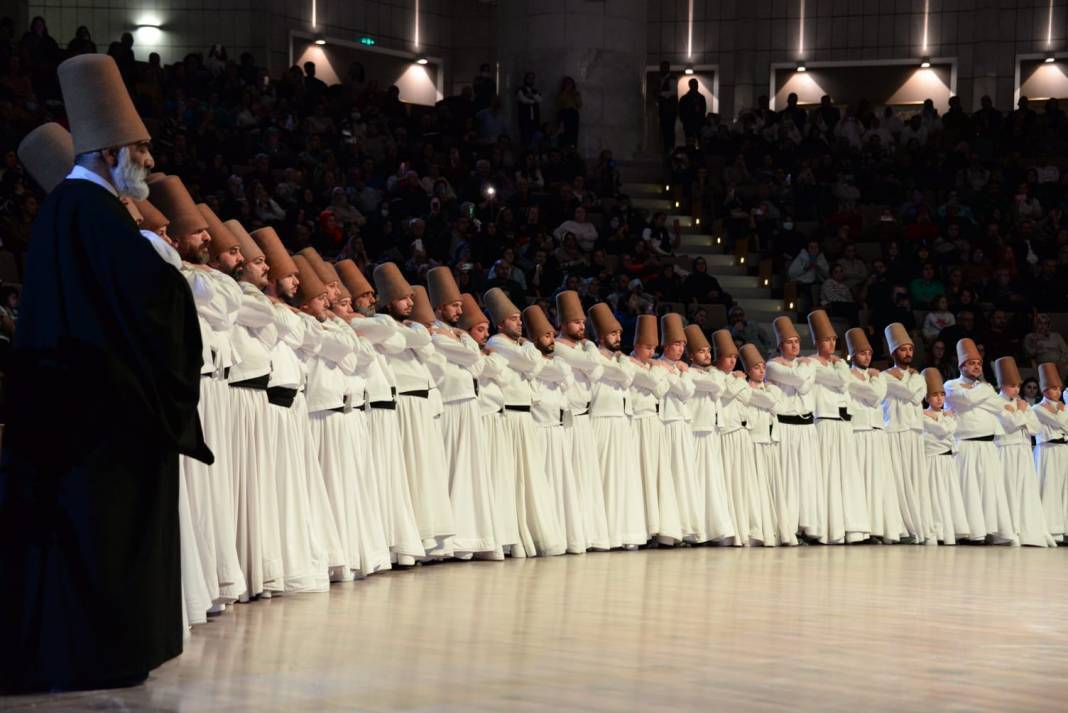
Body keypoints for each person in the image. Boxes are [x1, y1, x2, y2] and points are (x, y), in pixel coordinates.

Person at [1, 54, 210, 692]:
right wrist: (173, 279)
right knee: (97, 535)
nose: (148, 159)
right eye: (141, 149)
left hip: (83, 405)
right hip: (100, 414)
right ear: (114, 149)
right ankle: (101, 650)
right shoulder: (91, 212)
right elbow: (152, 301)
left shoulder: (77, 210)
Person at [373, 262, 456, 556]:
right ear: (386, 301)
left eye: (411, 298)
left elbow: (426, 345)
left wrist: (414, 331)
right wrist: (411, 333)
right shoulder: (382, 326)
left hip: (421, 405)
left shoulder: (410, 327)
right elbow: (402, 343)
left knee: (426, 472)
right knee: (409, 472)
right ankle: (408, 542)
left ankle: (429, 540)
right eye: (404, 298)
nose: (411, 303)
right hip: (404, 403)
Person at [485, 287, 565, 556]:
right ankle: (511, 538)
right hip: (509, 417)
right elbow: (532, 363)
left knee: (529, 478)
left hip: (525, 416)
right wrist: (530, 348)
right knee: (511, 478)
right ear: (500, 323)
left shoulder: (519, 345)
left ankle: (529, 535)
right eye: (514, 318)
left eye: (520, 318)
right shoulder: (497, 343)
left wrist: (528, 348)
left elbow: (533, 364)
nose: (519, 323)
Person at [426, 266, 499, 559]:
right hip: (449, 405)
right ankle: (446, 542)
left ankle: (470, 537)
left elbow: (477, 365)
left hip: (468, 403)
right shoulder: (431, 331)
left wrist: (463, 340)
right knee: (450, 468)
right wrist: (464, 344)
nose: (460, 310)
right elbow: (471, 356)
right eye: (455, 305)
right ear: (441, 307)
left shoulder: (458, 335)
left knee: (470, 471)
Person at [523, 304, 587, 553]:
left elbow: (565, 376)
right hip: (539, 427)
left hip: (557, 427)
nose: (551, 340)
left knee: (561, 485)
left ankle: (562, 534)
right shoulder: (532, 359)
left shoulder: (556, 360)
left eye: (552, 335)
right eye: (546, 336)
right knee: (543, 484)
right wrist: (552, 369)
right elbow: (546, 371)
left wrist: (555, 369)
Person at [552, 291, 611, 550]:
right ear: (563, 323)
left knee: (588, 478)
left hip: (585, 418)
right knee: (571, 478)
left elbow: (596, 371)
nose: (581, 327)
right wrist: (589, 350)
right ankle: (571, 535)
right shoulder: (559, 347)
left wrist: (589, 359)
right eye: (576, 323)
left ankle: (589, 533)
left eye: (583, 323)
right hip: (570, 419)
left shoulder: (578, 349)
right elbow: (593, 362)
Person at [944, 338, 1017, 545]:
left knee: (987, 489)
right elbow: (966, 400)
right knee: (968, 490)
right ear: (962, 365)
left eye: (978, 363)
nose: (976, 366)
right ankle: (968, 532)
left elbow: (998, 407)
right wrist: (984, 392)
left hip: (987, 446)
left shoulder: (983, 388)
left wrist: (979, 395)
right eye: (971, 363)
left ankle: (986, 530)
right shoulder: (951, 385)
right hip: (965, 444)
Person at [586, 302, 645, 549]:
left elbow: (628, 376)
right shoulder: (593, 356)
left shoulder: (622, 360)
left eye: (619, 333)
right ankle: (602, 534)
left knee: (622, 477)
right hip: (601, 418)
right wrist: (620, 367)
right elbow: (620, 374)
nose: (618, 337)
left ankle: (623, 533)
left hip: (621, 420)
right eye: (612, 333)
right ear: (600, 335)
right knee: (603, 477)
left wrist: (621, 366)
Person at [807, 310, 869, 544]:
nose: (831, 344)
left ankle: (851, 527)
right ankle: (826, 528)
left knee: (846, 475)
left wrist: (836, 370)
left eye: (833, 340)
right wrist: (834, 372)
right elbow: (839, 380)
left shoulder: (841, 363)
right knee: (826, 474)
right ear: (817, 342)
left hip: (843, 424)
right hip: (823, 421)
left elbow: (845, 380)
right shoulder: (811, 363)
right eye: (826, 339)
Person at [845, 328, 908, 544]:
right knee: (861, 481)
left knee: (879, 482)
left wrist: (870, 381)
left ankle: (880, 527)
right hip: (859, 431)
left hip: (877, 432)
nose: (867, 357)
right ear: (853, 355)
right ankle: (862, 529)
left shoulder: (877, 376)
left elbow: (877, 395)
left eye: (869, 353)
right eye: (862, 353)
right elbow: (868, 393)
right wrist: (869, 382)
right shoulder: (846, 374)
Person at [765, 316, 822, 543]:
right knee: (788, 476)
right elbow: (801, 381)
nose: (795, 346)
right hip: (786, 424)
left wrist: (804, 374)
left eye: (797, 341)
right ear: (780, 344)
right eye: (789, 342)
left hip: (806, 425)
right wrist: (805, 372)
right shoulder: (773, 365)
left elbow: (805, 385)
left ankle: (806, 525)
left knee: (805, 476)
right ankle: (788, 526)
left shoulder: (806, 364)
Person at [992, 357, 1057, 547]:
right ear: (1002, 385)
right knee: (1008, 488)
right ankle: (1008, 530)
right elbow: (1009, 423)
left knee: (1025, 488)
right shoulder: (997, 402)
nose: (1017, 390)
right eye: (1012, 386)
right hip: (1006, 450)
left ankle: (1027, 528)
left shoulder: (1023, 404)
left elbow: (1035, 428)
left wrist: (1019, 415)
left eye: (1018, 385)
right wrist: (1020, 415)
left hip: (1023, 450)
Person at [629, 314, 682, 545]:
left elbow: (659, 390)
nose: (651, 353)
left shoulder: (650, 366)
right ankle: (640, 529)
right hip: (636, 422)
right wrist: (660, 368)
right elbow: (654, 384)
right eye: (647, 348)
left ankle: (657, 528)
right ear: (636, 346)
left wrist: (657, 370)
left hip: (653, 421)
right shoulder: (630, 364)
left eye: (653, 348)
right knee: (640, 474)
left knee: (655, 475)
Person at [880, 323, 933, 544]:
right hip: (894, 430)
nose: (908, 353)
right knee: (897, 479)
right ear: (894, 352)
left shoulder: (919, 377)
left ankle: (919, 526)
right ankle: (899, 527)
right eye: (903, 349)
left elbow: (915, 395)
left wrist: (910, 381)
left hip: (914, 431)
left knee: (915, 479)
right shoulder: (884, 376)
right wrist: (907, 382)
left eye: (910, 349)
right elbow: (908, 392)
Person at [684, 325, 737, 544]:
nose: (706, 355)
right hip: (696, 430)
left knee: (713, 481)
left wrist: (717, 383)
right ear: (691, 355)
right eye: (701, 351)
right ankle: (697, 530)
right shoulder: (688, 372)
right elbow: (716, 385)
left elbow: (721, 387)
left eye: (708, 351)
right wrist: (716, 384)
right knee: (697, 480)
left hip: (712, 430)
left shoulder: (713, 373)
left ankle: (715, 528)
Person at [657, 313, 704, 543]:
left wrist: (683, 375)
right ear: (666, 345)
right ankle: (669, 529)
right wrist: (684, 375)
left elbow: (687, 391)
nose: (680, 349)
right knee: (671, 473)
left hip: (683, 423)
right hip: (668, 423)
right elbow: (683, 390)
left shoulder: (678, 369)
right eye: (677, 344)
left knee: (684, 474)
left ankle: (685, 527)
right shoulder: (659, 366)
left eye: (683, 345)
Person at [738, 342, 787, 546]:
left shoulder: (772, 388)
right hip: (755, 442)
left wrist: (763, 398)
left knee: (773, 486)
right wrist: (765, 399)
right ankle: (760, 530)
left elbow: (778, 406)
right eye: (756, 368)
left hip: (771, 441)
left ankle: (777, 530)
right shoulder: (744, 388)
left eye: (763, 367)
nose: (761, 371)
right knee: (757, 487)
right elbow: (763, 402)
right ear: (749, 371)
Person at [921, 368, 971, 545]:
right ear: (927, 398)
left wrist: (944, 420)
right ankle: (936, 531)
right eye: (935, 395)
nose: (940, 398)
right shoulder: (923, 415)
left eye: (942, 394)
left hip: (946, 460)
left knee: (947, 495)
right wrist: (944, 420)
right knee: (935, 496)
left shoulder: (948, 415)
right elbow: (943, 430)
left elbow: (950, 430)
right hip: (933, 460)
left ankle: (949, 531)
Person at [1031, 363, 1068, 543]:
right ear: (1045, 390)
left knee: (1063, 487)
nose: (1058, 392)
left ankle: (1064, 528)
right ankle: (1050, 529)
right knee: (1049, 486)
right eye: (1053, 388)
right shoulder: (1037, 408)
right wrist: (1062, 411)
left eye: (1059, 388)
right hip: (1047, 450)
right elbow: (1059, 423)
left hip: (1063, 449)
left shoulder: (1063, 407)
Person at [656, 60, 678, 153]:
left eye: (664, 67)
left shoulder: (672, 78)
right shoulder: (661, 78)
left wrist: (660, 93)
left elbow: (673, 92)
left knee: (669, 130)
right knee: (665, 130)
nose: (662, 69)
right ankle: (666, 149)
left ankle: (670, 149)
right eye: (661, 67)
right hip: (664, 108)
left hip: (670, 108)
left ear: (668, 68)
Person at [516, 72, 542, 149]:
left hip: (534, 120)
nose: (531, 80)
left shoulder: (535, 91)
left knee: (535, 140)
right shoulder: (520, 90)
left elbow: (540, 100)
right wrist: (534, 99)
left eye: (532, 78)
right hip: (525, 119)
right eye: (529, 78)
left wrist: (531, 96)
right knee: (525, 140)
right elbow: (524, 100)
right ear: (525, 79)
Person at [556, 76, 582, 148]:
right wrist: (565, 92)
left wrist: (574, 95)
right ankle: (563, 150)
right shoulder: (561, 93)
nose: (568, 85)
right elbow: (559, 103)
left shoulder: (576, 94)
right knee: (564, 133)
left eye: (570, 83)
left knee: (573, 134)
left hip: (573, 114)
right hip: (564, 114)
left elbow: (579, 104)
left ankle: (572, 149)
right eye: (567, 83)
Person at [678, 78, 706, 143]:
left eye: (695, 85)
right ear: (690, 86)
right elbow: (680, 110)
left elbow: (703, 111)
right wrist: (684, 119)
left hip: (697, 122)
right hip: (689, 122)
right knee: (690, 140)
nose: (695, 86)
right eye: (693, 85)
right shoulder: (684, 98)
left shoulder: (701, 98)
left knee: (698, 140)